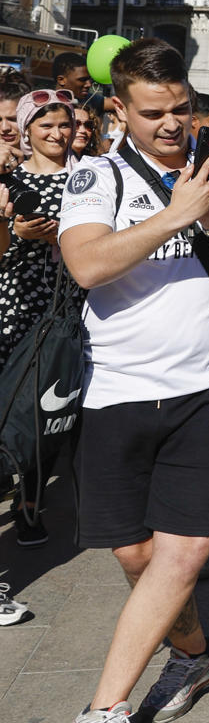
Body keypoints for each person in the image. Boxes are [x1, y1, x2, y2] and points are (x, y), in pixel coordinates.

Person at [52, 39, 209, 723]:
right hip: (116, 392)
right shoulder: (96, 173)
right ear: (118, 110)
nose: (172, 124)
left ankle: (104, 716)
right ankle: (194, 655)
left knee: (185, 553)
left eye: (181, 108)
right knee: (139, 559)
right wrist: (177, 214)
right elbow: (87, 263)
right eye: (153, 112)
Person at [0, 88, 80, 547]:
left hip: (71, 306)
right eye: (45, 125)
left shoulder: (89, 176)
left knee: (53, 406)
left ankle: (30, 502)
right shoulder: (11, 181)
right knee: (18, 400)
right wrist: (16, 233)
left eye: (64, 124)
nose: (57, 133)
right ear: (28, 129)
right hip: (18, 305)